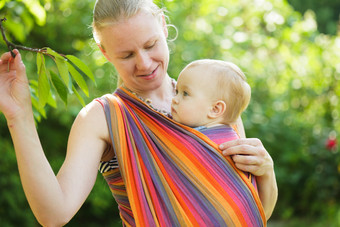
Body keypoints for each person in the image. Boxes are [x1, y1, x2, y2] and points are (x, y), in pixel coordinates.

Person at [0, 0, 277, 226]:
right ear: (105, 52)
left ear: (164, 27)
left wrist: (266, 172)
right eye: (126, 55)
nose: (144, 64)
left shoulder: (212, 102)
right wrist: (18, 116)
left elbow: (255, 211)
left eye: (150, 45)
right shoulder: (103, 117)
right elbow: (53, 214)